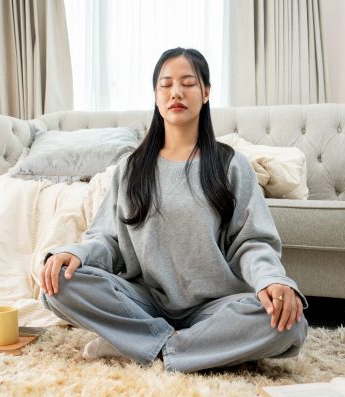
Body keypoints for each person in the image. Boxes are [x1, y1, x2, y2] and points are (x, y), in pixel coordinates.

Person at [38, 47, 308, 373]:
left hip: (215, 307)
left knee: (290, 323)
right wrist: (76, 253)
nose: (176, 92)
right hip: (144, 302)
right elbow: (108, 240)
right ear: (155, 95)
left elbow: (253, 242)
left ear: (206, 92)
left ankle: (141, 345)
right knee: (57, 285)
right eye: (166, 84)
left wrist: (271, 280)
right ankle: (190, 347)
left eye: (188, 83)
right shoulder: (131, 168)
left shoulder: (231, 165)